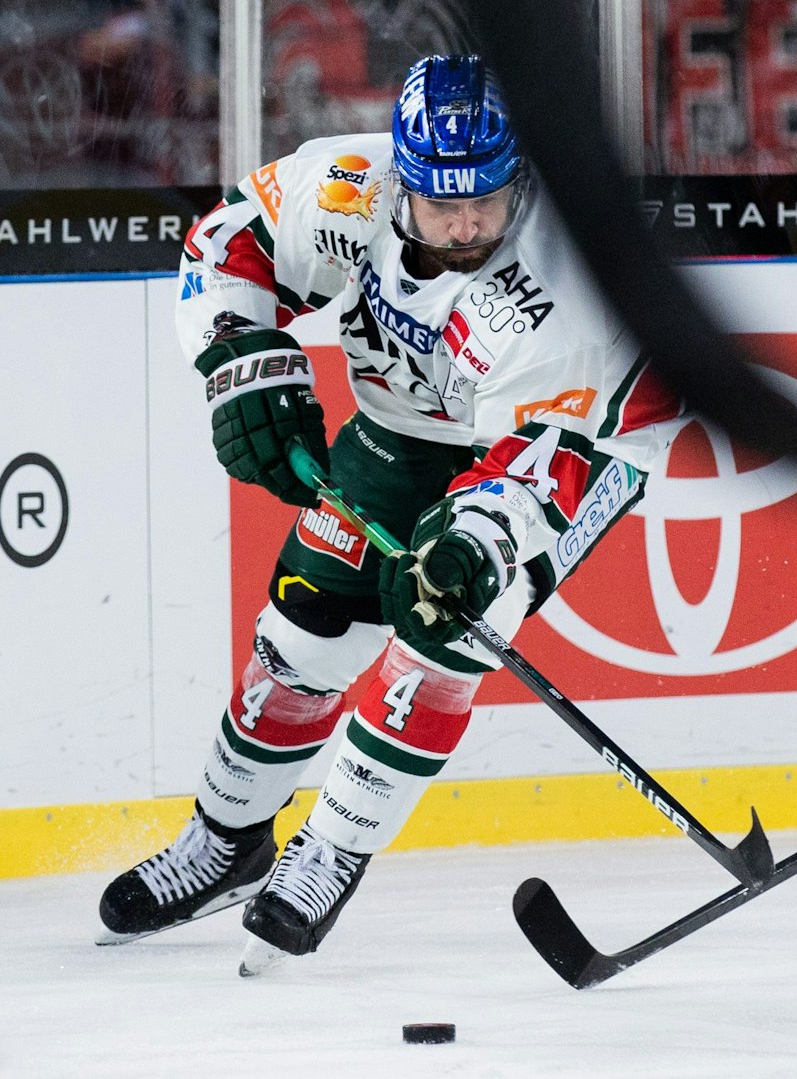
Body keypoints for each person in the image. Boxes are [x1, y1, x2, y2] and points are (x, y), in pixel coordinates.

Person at [96, 54, 681, 972]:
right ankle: (227, 842)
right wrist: (238, 356)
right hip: (401, 431)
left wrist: (479, 542)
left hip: (583, 443)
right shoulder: (347, 188)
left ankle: (330, 850)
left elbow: (547, 457)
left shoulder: (555, 284)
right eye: (440, 202)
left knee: (436, 634)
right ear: (400, 177)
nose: (462, 223)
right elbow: (227, 238)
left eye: (483, 202)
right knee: (305, 628)